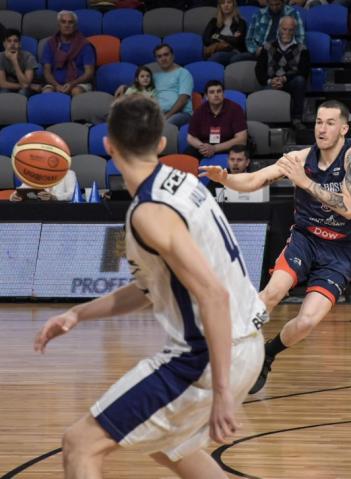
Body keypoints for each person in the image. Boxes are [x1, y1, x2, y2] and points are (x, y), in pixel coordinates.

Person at [33, 94, 268, 477]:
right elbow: (149, 288)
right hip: (243, 342)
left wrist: (223, 391)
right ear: (161, 143)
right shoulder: (183, 183)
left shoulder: (151, 212)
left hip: (207, 356)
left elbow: (213, 294)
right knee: (169, 447)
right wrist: (78, 314)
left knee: (80, 444)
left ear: (108, 146)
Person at [199, 100, 351, 393]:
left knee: (306, 322)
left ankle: (268, 354)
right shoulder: (299, 158)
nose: (322, 129)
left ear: (344, 129)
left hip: (340, 250)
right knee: (272, 293)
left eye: (330, 123)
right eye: (318, 122)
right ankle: (228, 351)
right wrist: (227, 179)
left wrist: (305, 182)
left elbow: (348, 207)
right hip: (306, 239)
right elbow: (255, 179)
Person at [255, 16, 310, 130]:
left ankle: (297, 119)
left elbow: (304, 71)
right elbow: (259, 70)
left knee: (300, 81)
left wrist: (284, 78)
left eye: (290, 30)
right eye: (284, 29)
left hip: (290, 83)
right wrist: (270, 81)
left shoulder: (302, 49)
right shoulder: (267, 46)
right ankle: (267, 124)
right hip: (271, 82)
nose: (287, 32)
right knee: (264, 91)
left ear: (294, 31)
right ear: (279, 29)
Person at [186, 80, 248, 160]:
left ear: (223, 94)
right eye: (212, 92)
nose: (216, 95)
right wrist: (204, 148)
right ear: (206, 96)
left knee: (240, 152)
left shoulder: (235, 109)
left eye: (219, 91)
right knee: (188, 154)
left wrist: (214, 148)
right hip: (205, 146)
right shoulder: (199, 111)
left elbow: (241, 140)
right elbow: (190, 137)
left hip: (228, 146)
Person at [41, 11, 95, 97]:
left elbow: (89, 73)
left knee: (76, 91)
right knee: (47, 93)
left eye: (70, 22)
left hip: (79, 83)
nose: (67, 25)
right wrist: (57, 85)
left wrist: (72, 83)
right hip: (55, 83)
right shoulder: (50, 44)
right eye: (63, 22)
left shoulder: (84, 45)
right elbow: (47, 72)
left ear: (75, 26)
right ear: (58, 25)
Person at [152, 44, 194, 127]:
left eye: (166, 54)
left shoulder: (183, 73)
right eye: (159, 56)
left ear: (173, 56)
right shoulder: (154, 77)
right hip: (159, 114)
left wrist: (167, 116)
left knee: (163, 126)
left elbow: (183, 99)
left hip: (181, 114)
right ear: (156, 60)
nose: (163, 58)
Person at [202, 0, 253, 66]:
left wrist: (218, 36)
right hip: (216, 50)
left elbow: (237, 41)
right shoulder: (214, 21)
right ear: (220, 6)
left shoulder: (240, 23)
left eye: (229, 2)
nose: (226, 5)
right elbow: (206, 39)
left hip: (233, 51)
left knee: (218, 56)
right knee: (216, 55)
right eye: (223, 3)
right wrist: (228, 39)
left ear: (233, 5)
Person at [0, 29, 39, 96]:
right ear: (4, 44)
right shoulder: (0, 57)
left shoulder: (29, 57)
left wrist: (14, 61)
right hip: (11, 85)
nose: (12, 44)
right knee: (4, 92)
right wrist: (30, 86)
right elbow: (2, 84)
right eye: (9, 41)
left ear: (20, 44)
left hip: (26, 87)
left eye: (15, 41)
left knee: (23, 92)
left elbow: (25, 84)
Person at [10, 169, 78, 202]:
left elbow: (73, 194)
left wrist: (55, 197)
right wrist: (14, 196)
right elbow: (22, 189)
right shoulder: (36, 174)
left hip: (60, 210)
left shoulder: (69, 173)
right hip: (38, 211)